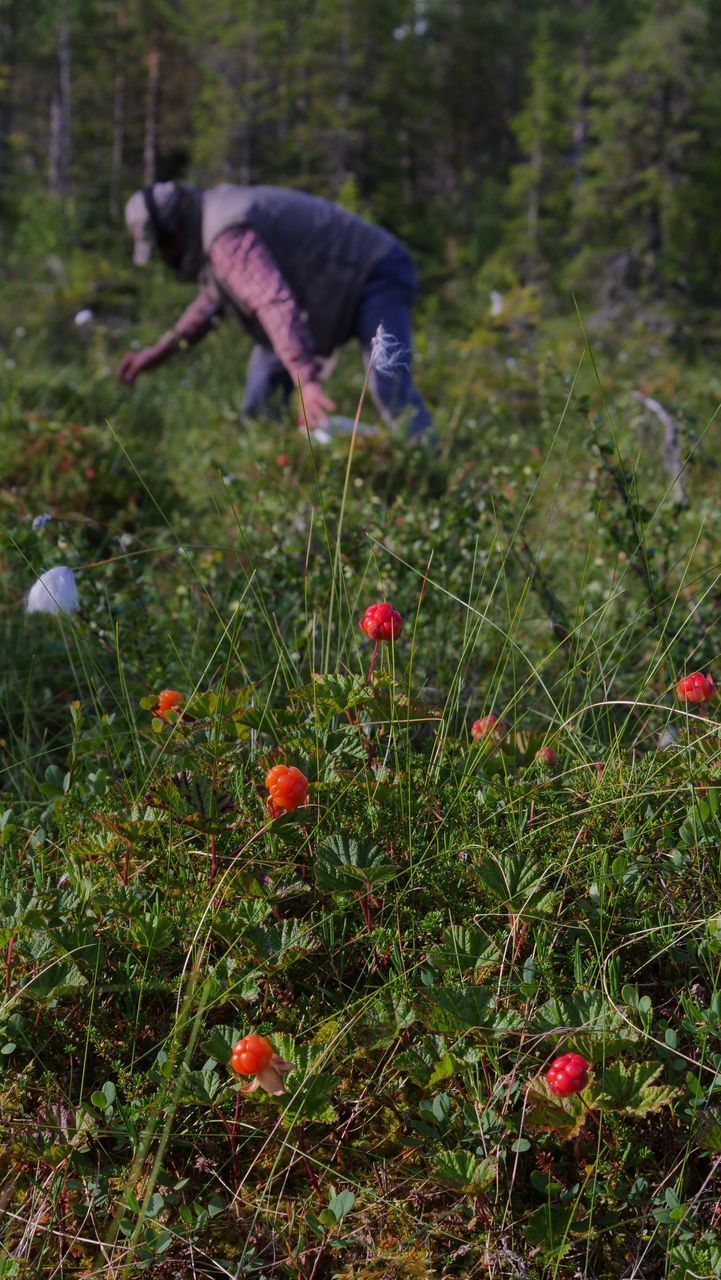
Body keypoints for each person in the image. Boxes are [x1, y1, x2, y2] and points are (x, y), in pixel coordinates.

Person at [118, 181, 433, 441]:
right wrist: (155, 355)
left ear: (174, 230)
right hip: (322, 294)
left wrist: (306, 381)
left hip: (374, 271)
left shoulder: (226, 235)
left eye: (163, 246)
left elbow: (273, 302)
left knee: (388, 382)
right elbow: (206, 309)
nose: (165, 256)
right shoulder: (213, 227)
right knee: (260, 399)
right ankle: (278, 481)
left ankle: (430, 468)